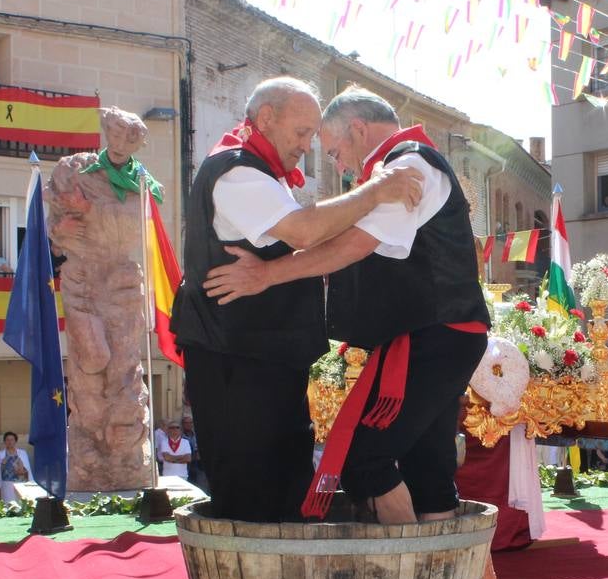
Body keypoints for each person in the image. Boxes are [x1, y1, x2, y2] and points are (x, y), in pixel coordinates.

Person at [203, 85, 489, 523]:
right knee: (425, 465)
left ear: (357, 129)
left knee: (364, 460)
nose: (339, 166)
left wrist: (266, 275)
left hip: (436, 335)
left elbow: (351, 246)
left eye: (335, 151)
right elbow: (335, 238)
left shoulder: (407, 166)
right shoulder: (392, 172)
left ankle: (410, 577)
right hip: (427, 336)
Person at [170, 77, 425, 522]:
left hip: (264, 356)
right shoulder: (237, 171)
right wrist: (378, 189)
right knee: (253, 490)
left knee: (285, 485)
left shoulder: (262, 172)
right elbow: (306, 230)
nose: (307, 146)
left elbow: (313, 236)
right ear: (266, 119)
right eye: (301, 132)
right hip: (236, 359)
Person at [0, 431, 32, 504]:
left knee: (21, 503)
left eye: (12, 440)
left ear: (15, 441)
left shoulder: (22, 453)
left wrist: (22, 472)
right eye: (7, 440)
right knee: (8, 504)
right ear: (4, 441)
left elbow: (27, 468)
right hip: (6, 484)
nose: (10, 442)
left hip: (20, 483)